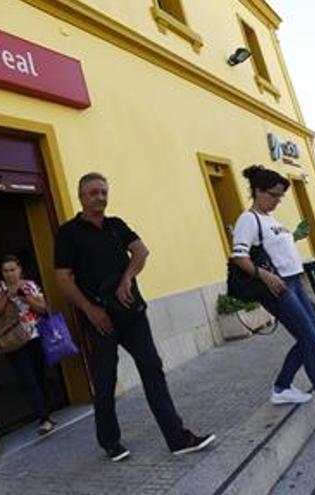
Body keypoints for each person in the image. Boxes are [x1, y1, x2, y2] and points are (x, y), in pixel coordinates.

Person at [54, 172, 216, 462]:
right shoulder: (68, 233)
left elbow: (141, 251)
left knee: (152, 369)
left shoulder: (116, 226)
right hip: (99, 320)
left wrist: (127, 278)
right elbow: (63, 279)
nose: (100, 197)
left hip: (132, 315)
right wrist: (91, 311)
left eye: (104, 192)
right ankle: (110, 441)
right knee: (105, 380)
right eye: (93, 193)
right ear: (81, 197)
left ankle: (177, 438)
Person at [231, 165, 315, 433]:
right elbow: (240, 256)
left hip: (295, 281)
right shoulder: (248, 220)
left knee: (312, 338)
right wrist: (263, 275)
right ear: (257, 191)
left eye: (281, 196)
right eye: (273, 195)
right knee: (309, 341)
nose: (277, 200)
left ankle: (282, 387)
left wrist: (295, 237)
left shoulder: (270, 219)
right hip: (277, 287)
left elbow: (275, 246)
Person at [0, 255, 56, 435]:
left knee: (39, 374)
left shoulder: (30, 285)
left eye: (13, 269)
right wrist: (6, 296)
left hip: (34, 335)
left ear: (20, 270)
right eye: (6, 270)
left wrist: (26, 298)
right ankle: (43, 418)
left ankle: (47, 412)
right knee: (27, 379)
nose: (9, 274)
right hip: (13, 340)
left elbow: (43, 308)